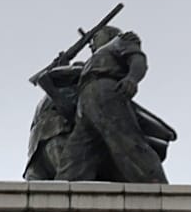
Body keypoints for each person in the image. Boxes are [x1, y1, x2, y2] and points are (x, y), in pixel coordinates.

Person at [54, 26, 168, 183]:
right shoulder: (90, 61)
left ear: (109, 35)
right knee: (77, 151)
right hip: (85, 101)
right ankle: (64, 188)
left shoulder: (118, 42)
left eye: (96, 37)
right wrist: (63, 64)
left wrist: (132, 79)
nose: (90, 44)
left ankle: (153, 181)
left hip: (105, 91)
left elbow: (138, 59)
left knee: (124, 139)